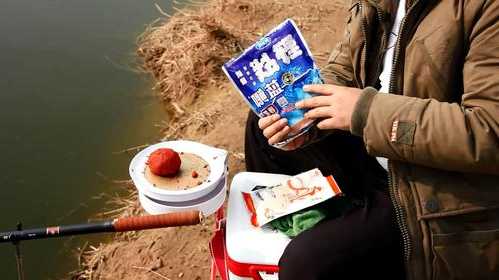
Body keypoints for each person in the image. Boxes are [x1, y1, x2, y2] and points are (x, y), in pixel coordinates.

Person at [244, 0, 499, 279]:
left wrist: (364, 112)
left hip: (434, 185)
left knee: (306, 264)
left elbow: (489, 131)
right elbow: (345, 68)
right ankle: (322, 221)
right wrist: (301, 115)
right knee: (261, 127)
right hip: (379, 149)